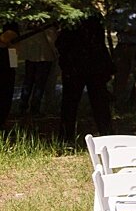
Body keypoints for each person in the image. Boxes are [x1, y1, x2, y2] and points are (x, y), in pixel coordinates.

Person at [56, 14, 113, 142]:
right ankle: (106, 134)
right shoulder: (71, 18)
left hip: (86, 66)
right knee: (75, 103)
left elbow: (61, 43)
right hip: (80, 66)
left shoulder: (86, 18)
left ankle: (106, 135)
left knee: (96, 103)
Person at [15, 22, 58, 116]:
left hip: (30, 55)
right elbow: (52, 40)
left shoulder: (28, 21)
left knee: (28, 81)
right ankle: (34, 108)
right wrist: (56, 53)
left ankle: (22, 107)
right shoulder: (47, 21)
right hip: (44, 55)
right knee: (39, 83)